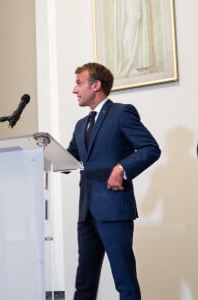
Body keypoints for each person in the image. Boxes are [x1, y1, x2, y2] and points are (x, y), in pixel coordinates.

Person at [67, 62, 161, 300]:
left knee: (125, 281)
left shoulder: (121, 113)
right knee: (84, 284)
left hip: (114, 209)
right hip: (86, 211)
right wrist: (39, 153)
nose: (74, 89)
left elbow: (150, 148)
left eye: (79, 83)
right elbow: (69, 159)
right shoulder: (81, 125)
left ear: (95, 85)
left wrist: (122, 167)